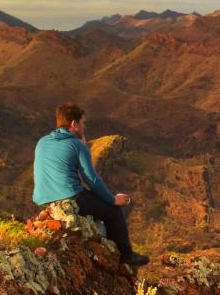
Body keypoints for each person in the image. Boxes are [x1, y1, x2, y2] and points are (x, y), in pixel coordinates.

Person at [33, 103, 149, 268]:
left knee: (96, 215)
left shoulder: (42, 142)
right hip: (71, 196)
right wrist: (113, 199)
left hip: (43, 200)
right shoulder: (77, 145)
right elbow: (91, 179)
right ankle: (126, 255)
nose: (83, 127)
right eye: (82, 123)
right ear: (74, 124)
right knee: (113, 212)